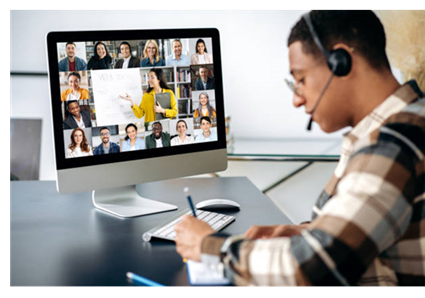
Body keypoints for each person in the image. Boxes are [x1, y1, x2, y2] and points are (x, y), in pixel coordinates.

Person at [175, 9, 425, 288]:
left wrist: (211, 246)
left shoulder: (394, 143)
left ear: (340, 62)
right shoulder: (404, 123)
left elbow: (318, 264)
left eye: (301, 79)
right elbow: (368, 235)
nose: (297, 100)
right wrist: (309, 232)